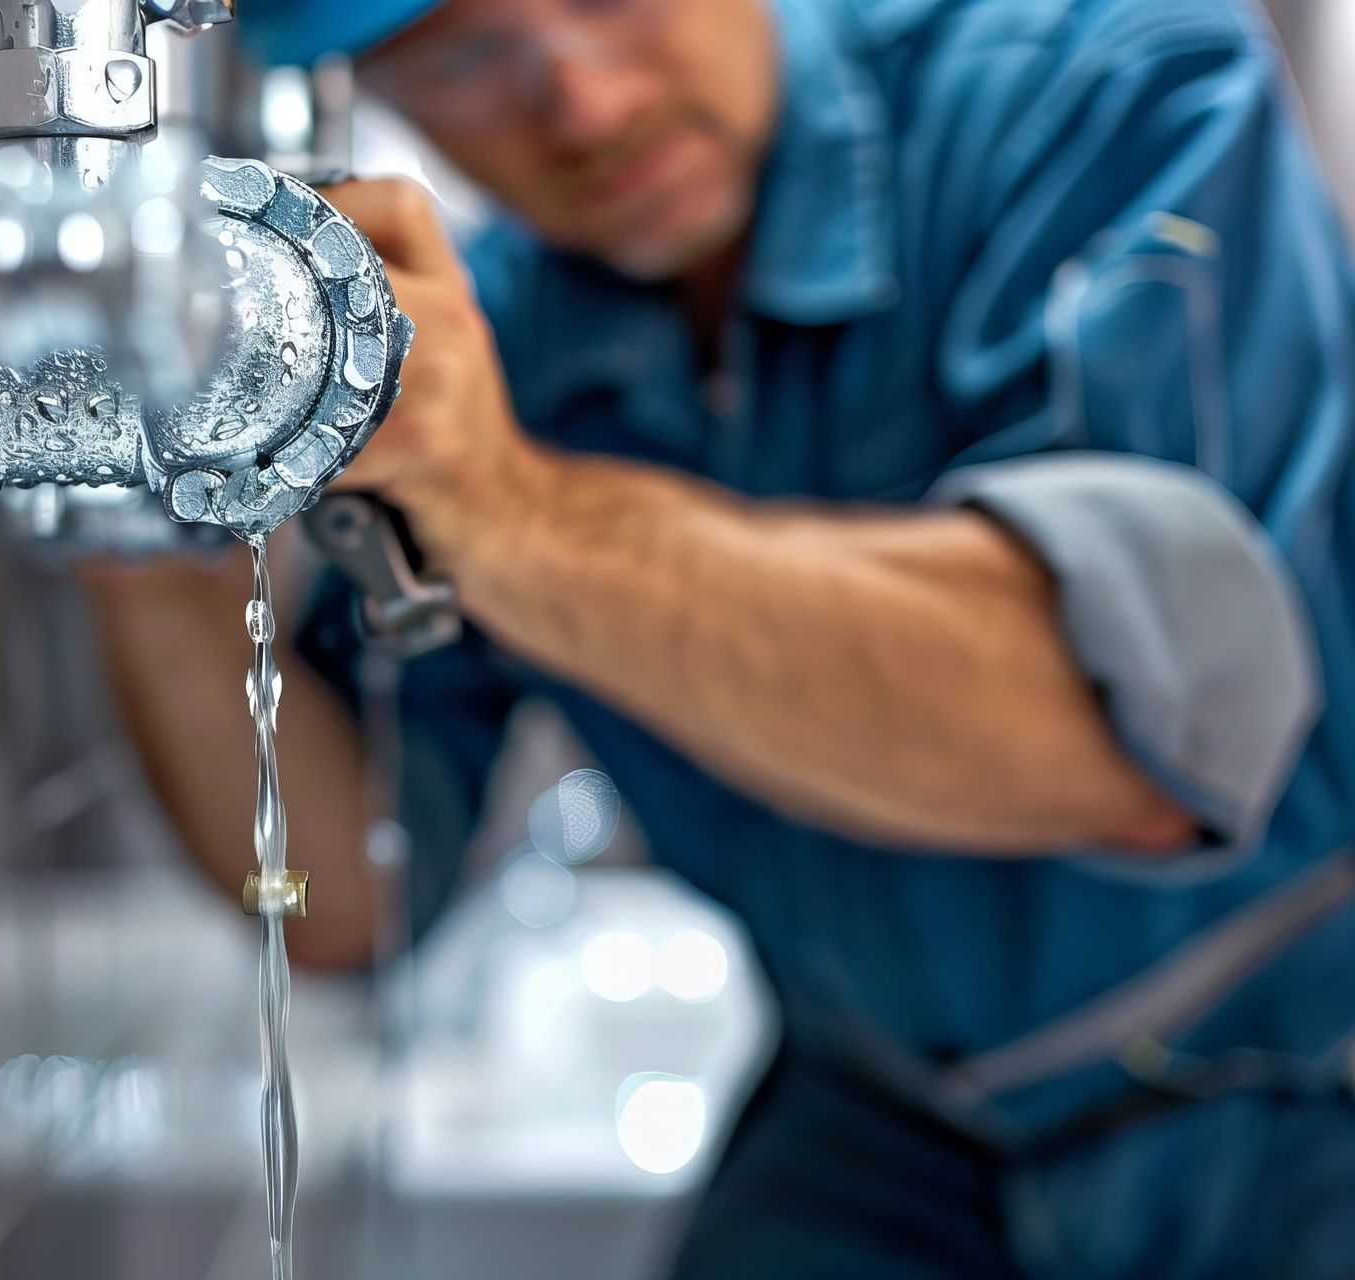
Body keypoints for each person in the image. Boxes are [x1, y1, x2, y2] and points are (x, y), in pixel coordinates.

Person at [85, 0, 1355, 1274]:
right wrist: (140, 550)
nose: (581, 106)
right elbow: (331, 898)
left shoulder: (1112, 93)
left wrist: (508, 509)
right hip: (885, 1111)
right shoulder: (510, 338)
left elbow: (1125, 744)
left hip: (1291, 1083)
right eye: (462, 56)